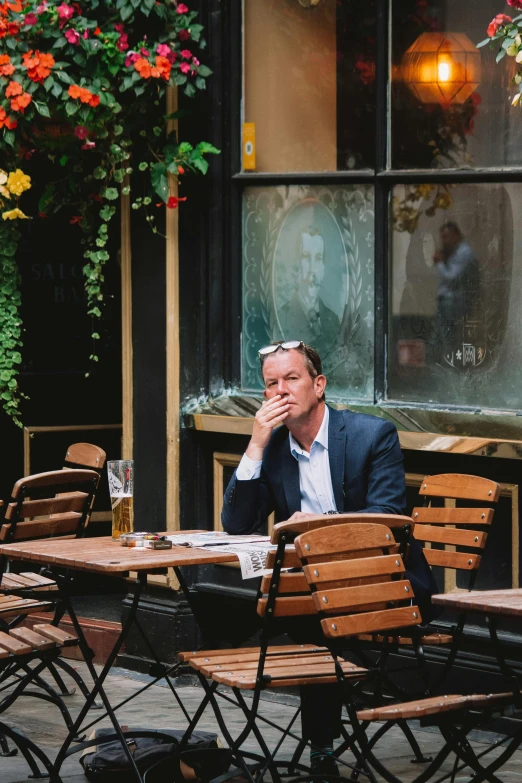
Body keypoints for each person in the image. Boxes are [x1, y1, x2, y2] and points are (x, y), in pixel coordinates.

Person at [222, 340, 437, 776]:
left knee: (310, 612)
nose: (280, 391)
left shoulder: (371, 435)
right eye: (271, 384)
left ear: (318, 385)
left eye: (292, 378)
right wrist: (256, 443)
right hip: (315, 586)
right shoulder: (277, 447)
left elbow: (388, 518)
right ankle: (228, 724)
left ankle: (320, 746)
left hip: (387, 582)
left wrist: (321, 525)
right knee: (219, 602)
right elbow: (237, 523)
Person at [277, 231, 340, 356]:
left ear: (323, 267)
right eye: (306, 257)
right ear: (296, 265)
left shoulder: (333, 320)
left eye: (318, 258)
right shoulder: (281, 318)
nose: (312, 268)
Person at [434, 221, 479, 333]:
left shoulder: (464, 252)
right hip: (450, 300)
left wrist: (440, 262)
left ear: (456, 235)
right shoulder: (455, 252)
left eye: (446, 237)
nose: (443, 241)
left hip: (454, 301)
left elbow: (452, 278)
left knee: (447, 335)